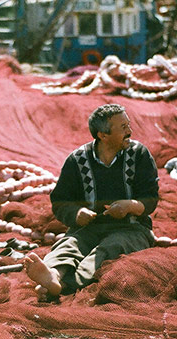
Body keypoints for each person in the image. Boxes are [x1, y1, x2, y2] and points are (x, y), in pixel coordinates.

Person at [24, 103, 159, 300]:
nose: (129, 131)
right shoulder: (77, 160)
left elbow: (151, 198)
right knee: (68, 245)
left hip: (132, 229)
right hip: (88, 229)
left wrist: (129, 206)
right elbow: (61, 201)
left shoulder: (139, 154)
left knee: (108, 250)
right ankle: (53, 274)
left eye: (128, 125)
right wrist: (77, 214)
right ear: (103, 135)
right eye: (123, 127)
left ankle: (61, 285)